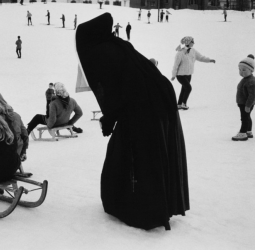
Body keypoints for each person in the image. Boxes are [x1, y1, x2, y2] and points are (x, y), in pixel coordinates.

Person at [76, 13, 189, 231]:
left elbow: (118, 90)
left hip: (145, 104)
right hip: (154, 98)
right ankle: (150, 206)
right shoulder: (116, 45)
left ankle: (145, 211)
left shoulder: (105, 51)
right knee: (140, 151)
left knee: (141, 153)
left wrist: (109, 118)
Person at [171, 36, 216, 110]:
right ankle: (183, 104)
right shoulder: (180, 53)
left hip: (189, 74)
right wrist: (173, 75)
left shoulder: (193, 51)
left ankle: (179, 104)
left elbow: (201, 57)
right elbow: (175, 65)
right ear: (188, 43)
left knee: (184, 88)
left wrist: (209, 60)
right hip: (180, 75)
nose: (193, 43)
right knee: (188, 88)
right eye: (192, 42)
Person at [232, 55, 255, 141]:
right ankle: (248, 131)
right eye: (240, 70)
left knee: (244, 118)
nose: (241, 72)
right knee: (247, 117)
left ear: (251, 70)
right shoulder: (246, 79)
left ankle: (242, 133)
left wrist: (248, 105)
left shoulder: (251, 81)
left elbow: (252, 95)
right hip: (243, 103)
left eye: (244, 70)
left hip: (246, 103)